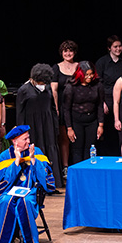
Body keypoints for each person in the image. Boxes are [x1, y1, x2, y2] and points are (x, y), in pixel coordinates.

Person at [0, 125, 55, 243]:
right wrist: (16, 162)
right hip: (9, 192)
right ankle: (7, 241)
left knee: (24, 202)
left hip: (30, 191)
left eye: (28, 138)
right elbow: (0, 182)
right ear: (15, 141)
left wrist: (33, 160)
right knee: (5, 202)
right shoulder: (5, 156)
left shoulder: (36, 151)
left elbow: (44, 177)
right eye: (25, 139)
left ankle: (25, 240)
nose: (28, 141)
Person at [16, 64, 62, 190]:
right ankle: (36, 180)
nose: (42, 84)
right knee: (36, 149)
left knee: (50, 148)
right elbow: (20, 113)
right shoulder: (24, 90)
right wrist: (21, 133)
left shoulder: (47, 88)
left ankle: (53, 181)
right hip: (32, 125)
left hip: (47, 124)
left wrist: (55, 126)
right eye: (40, 81)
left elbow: (53, 108)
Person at [63, 61, 104, 164]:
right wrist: (69, 128)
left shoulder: (97, 85)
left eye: (91, 74)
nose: (89, 77)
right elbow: (66, 109)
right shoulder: (71, 87)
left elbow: (100, 105)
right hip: (76, 121)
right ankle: (79, 175)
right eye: (87, 75)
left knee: (90, 149)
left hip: (92, 121)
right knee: (77, 149)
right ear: (80, 74)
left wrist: (101, 125)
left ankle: (89, 172)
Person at [51, 40, 78, 179]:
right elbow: (54, 90)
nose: (68, 53)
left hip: (78, 106)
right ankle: (65, 168)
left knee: (78, 137)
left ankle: (78, 166)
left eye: (70, 50)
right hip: (62, 106)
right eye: (65, 51)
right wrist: (56, 108)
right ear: (61, 53)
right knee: (64, 139)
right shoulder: (56, 68)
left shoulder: (79, 67)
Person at [96, 35, 122, 156]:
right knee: (108, 130)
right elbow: (98, 83)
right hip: (107, 99)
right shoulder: (102, 62)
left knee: (121, 127)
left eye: (120, 46)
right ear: (109, 48)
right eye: (115, 47)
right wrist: (102, 102)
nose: (118, 49)